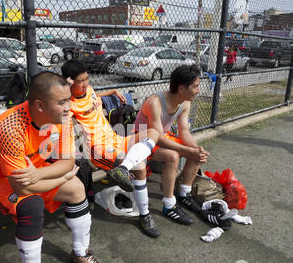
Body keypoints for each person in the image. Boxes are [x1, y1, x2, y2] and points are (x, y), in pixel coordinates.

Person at [0, 71, 108, 263]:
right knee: (32, 205)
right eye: (62, 102)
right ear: (39, 105)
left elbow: (68, 163)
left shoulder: (62, 117)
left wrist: (42, 175)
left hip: (33, 171)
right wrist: (61, 177)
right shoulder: (9, 128)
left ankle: (80, 252)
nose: (69, 107)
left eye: (69, 99)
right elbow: (22, 188)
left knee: (77, 189)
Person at [61, 60, 161, 238]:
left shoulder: (89, 91)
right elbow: (62, 120)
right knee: (140, 167)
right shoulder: (68, 105)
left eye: (87, 79)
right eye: (80, 81)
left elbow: (93, 94)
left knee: (153, 132)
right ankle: (145, 215)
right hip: (99, 149)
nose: (85, 84)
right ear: (69, 82)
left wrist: (114, 91)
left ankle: (123, 168)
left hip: (116, 138)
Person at [133, 65, 210, 225]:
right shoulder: (155, 102)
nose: (198, 90)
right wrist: (186, 150)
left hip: (161, 136)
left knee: (195, 152)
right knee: (172, 156)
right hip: (141, 138)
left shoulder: (185, 102)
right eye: (195, 86)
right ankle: (169, 205)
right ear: (181, 88)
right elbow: (157, 138)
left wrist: (196, 149)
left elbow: (184, 132)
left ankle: (184, 194)